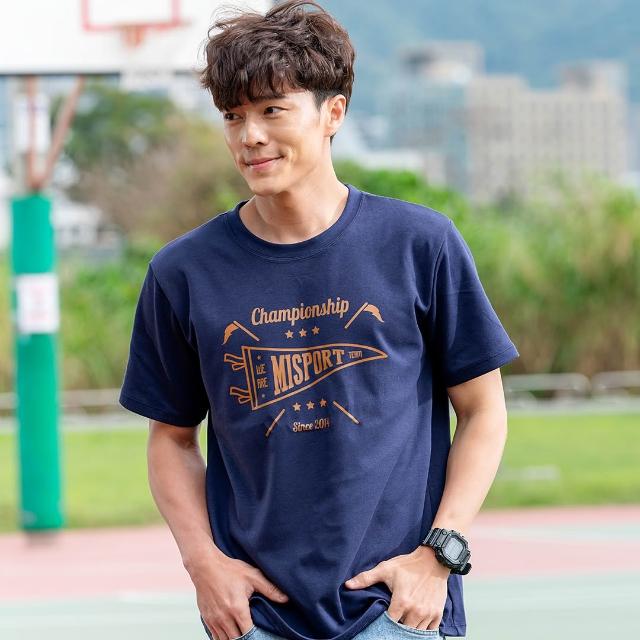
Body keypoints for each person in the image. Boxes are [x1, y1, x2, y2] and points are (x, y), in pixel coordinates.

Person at [118, 1, 519, 639]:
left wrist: (440, 554)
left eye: (272, 110)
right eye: (233, 115)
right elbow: (170, 439)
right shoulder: (182, 272)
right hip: (256, 618)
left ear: (333, 113)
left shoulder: (419, 244)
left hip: (400, 610)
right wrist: (204, 565)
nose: (249, 136)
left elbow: (483, 411)